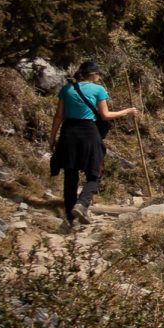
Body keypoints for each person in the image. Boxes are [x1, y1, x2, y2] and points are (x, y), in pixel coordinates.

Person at [48, 60, 137, 232]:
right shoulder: (98, 90)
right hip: (88, 132)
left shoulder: (67, 89)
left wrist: (52, 138)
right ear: (93, 74)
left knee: (70, 175)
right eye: (98, 73)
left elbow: (58, 116)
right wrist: (127, 111)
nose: (99, 76)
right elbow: (104, 115)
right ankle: (82, 203)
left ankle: (70, 218)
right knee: (94, 172)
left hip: (68, 133)